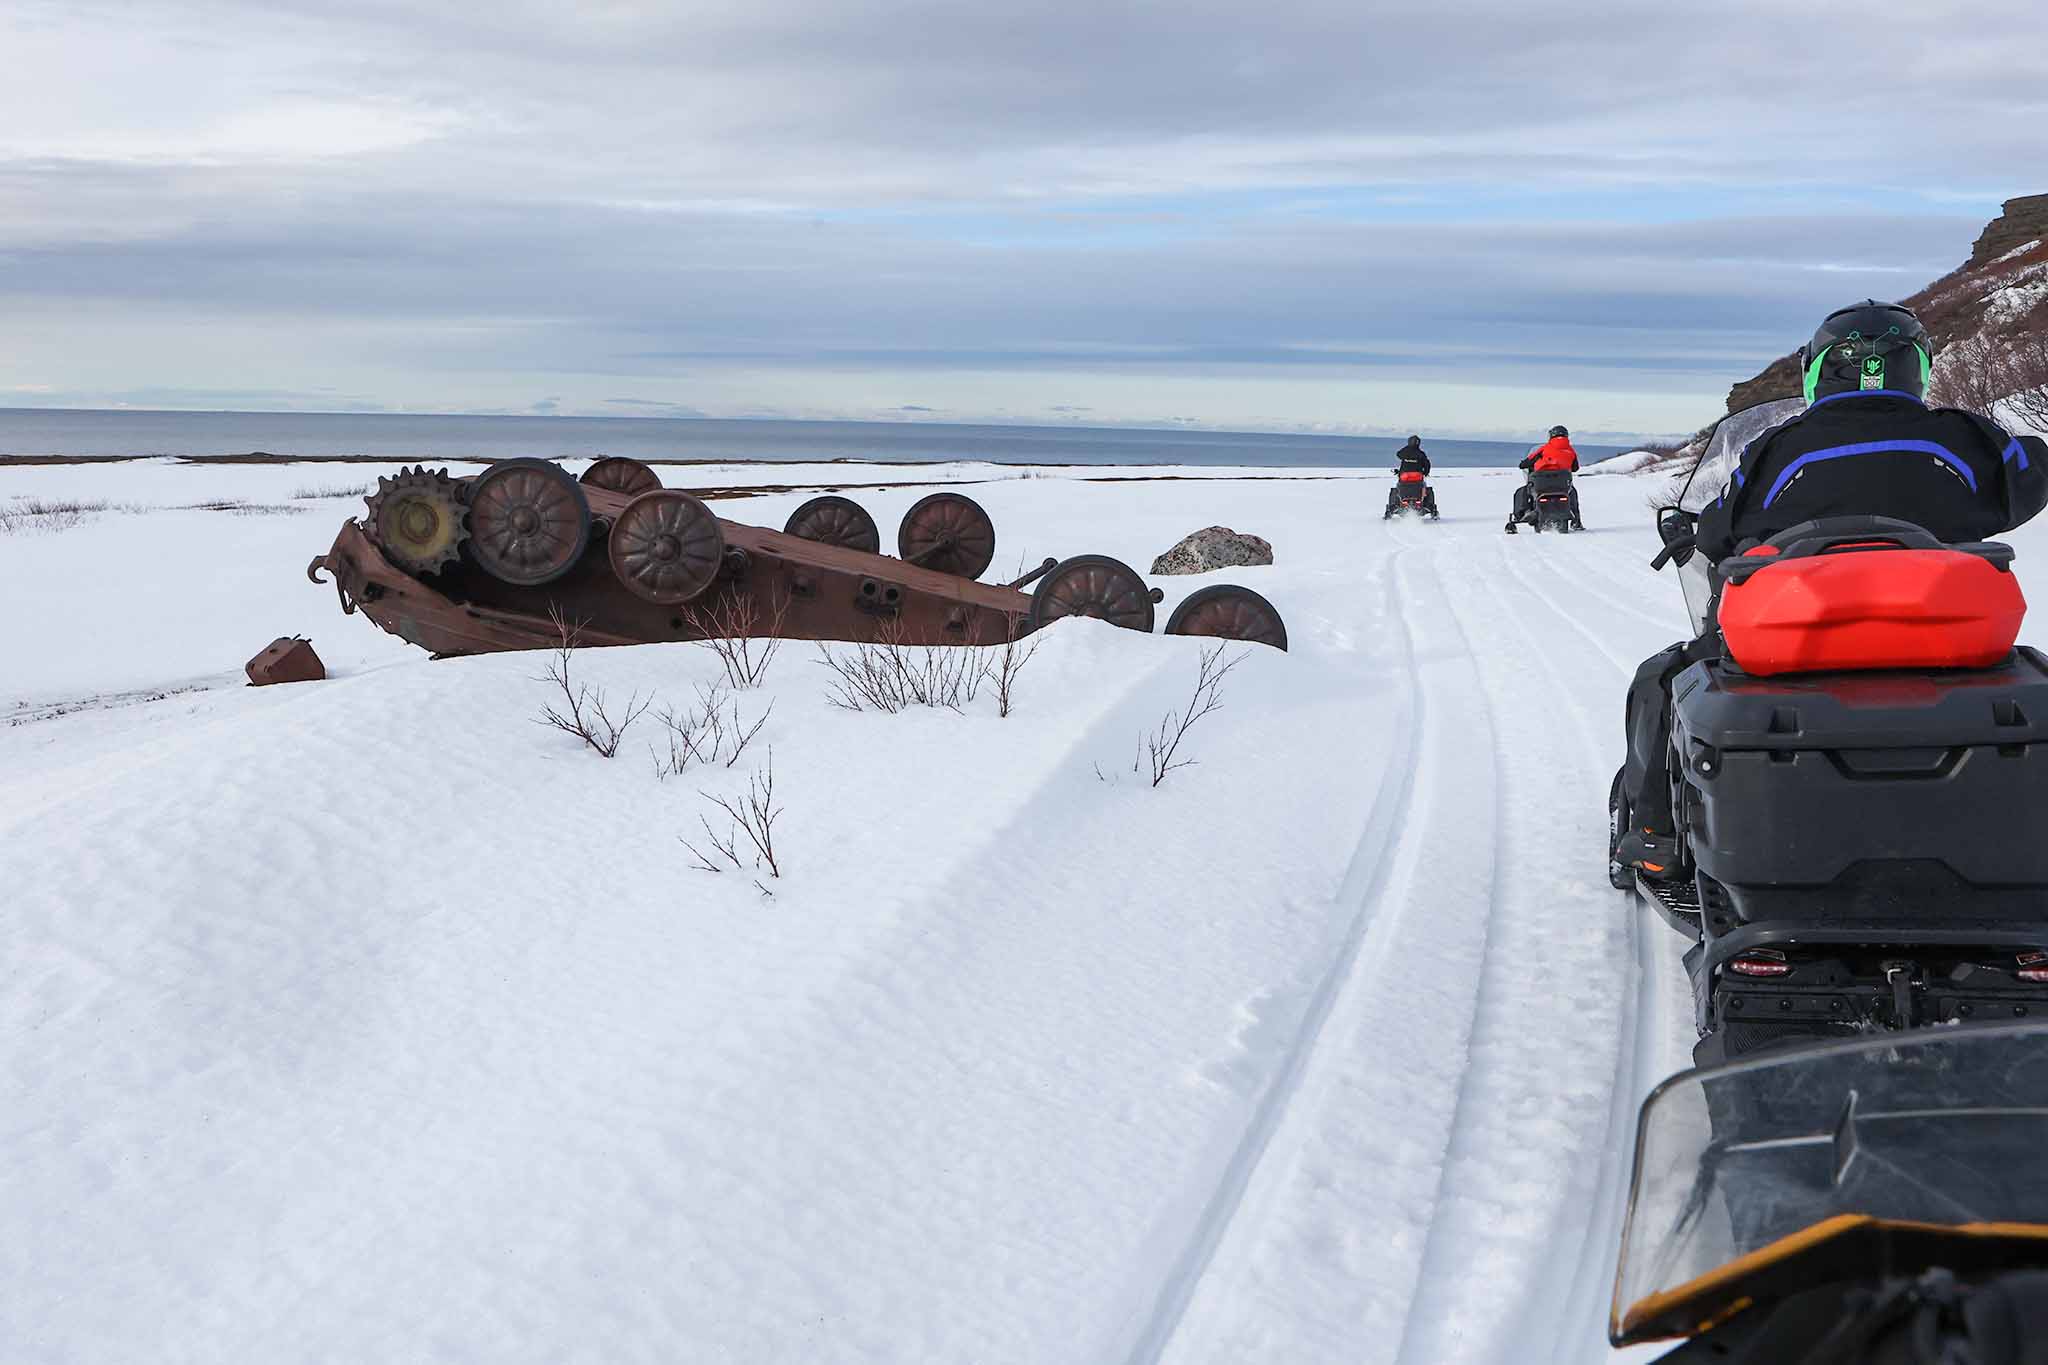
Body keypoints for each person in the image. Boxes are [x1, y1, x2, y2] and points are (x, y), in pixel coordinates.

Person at [1615, 300, 2048, 876]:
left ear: (1817, 370)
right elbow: (2030, 480)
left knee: (1662, 678)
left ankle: (1655, 837)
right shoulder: (1967, 438)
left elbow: (1720, 531)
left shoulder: (1775, 449)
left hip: (1801, 643)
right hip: (1952, 641)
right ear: (1916, 366)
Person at [1505, 424, 1581, 531]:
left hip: (1541, 484)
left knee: (1522, 491)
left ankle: (1521, 514)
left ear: (1551, 436)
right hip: (1562, 485)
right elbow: (1575, 468)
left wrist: (1525, 463)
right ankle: (1576, 521)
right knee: (1572, 493)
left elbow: (1526, 462)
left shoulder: (1545, 448)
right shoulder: (1571, 451)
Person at [1386, 435, 1439, 517]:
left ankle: (1392, 507)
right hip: (1418, 477)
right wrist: (1425, 472)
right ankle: (1431, 508)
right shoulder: (1421, 453)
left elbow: (1398, 454)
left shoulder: (1405, 452)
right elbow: (1427, 464)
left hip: (1404, 476)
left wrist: (1408, 448)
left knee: (1396, 490)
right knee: (1427, 489)